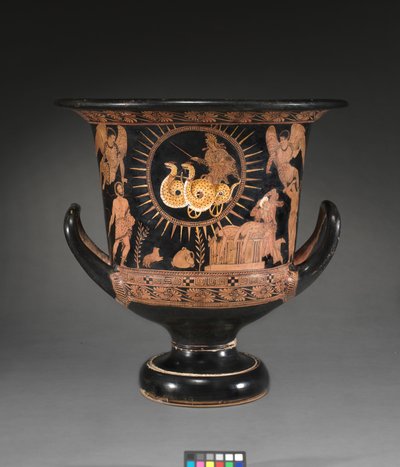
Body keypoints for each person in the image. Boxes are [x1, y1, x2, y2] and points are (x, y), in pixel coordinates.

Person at [109, 182, 135, 264]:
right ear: (116, 191)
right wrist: (109, 227)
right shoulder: (115, 201)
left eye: (121, 188)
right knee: (121, 243)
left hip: (122, 223)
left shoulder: (125, 201)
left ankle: (117, 262)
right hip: (120, 223)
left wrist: (131, 220)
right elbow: (113, 215)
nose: (121, 190)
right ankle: (117, 262)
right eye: (119, 189)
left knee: (120, 242)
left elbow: (127, 214)